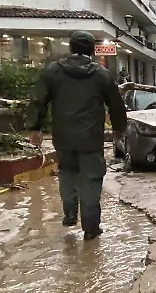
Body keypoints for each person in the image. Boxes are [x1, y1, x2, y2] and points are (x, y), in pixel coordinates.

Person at [26, 31, 128, 240]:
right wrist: (119, 129)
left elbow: (38, 100)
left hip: (63, 137)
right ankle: (91, 227)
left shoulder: (53, 72)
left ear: (70, 48)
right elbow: (116, 105)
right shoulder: (101, 74)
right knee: (91, 179)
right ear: (92, 50)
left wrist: (34, 127)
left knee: (67, 173)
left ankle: (70, 214)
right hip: (91, 139)